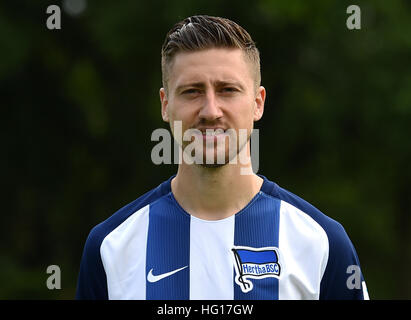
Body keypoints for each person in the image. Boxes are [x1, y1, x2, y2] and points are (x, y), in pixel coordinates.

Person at [76, 15, 369, 300]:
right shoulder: (110, 248)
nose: (210, 111)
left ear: (258, 103)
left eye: (228, 90)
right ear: (166, 105)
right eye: (192, 91)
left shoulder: (322, 243)